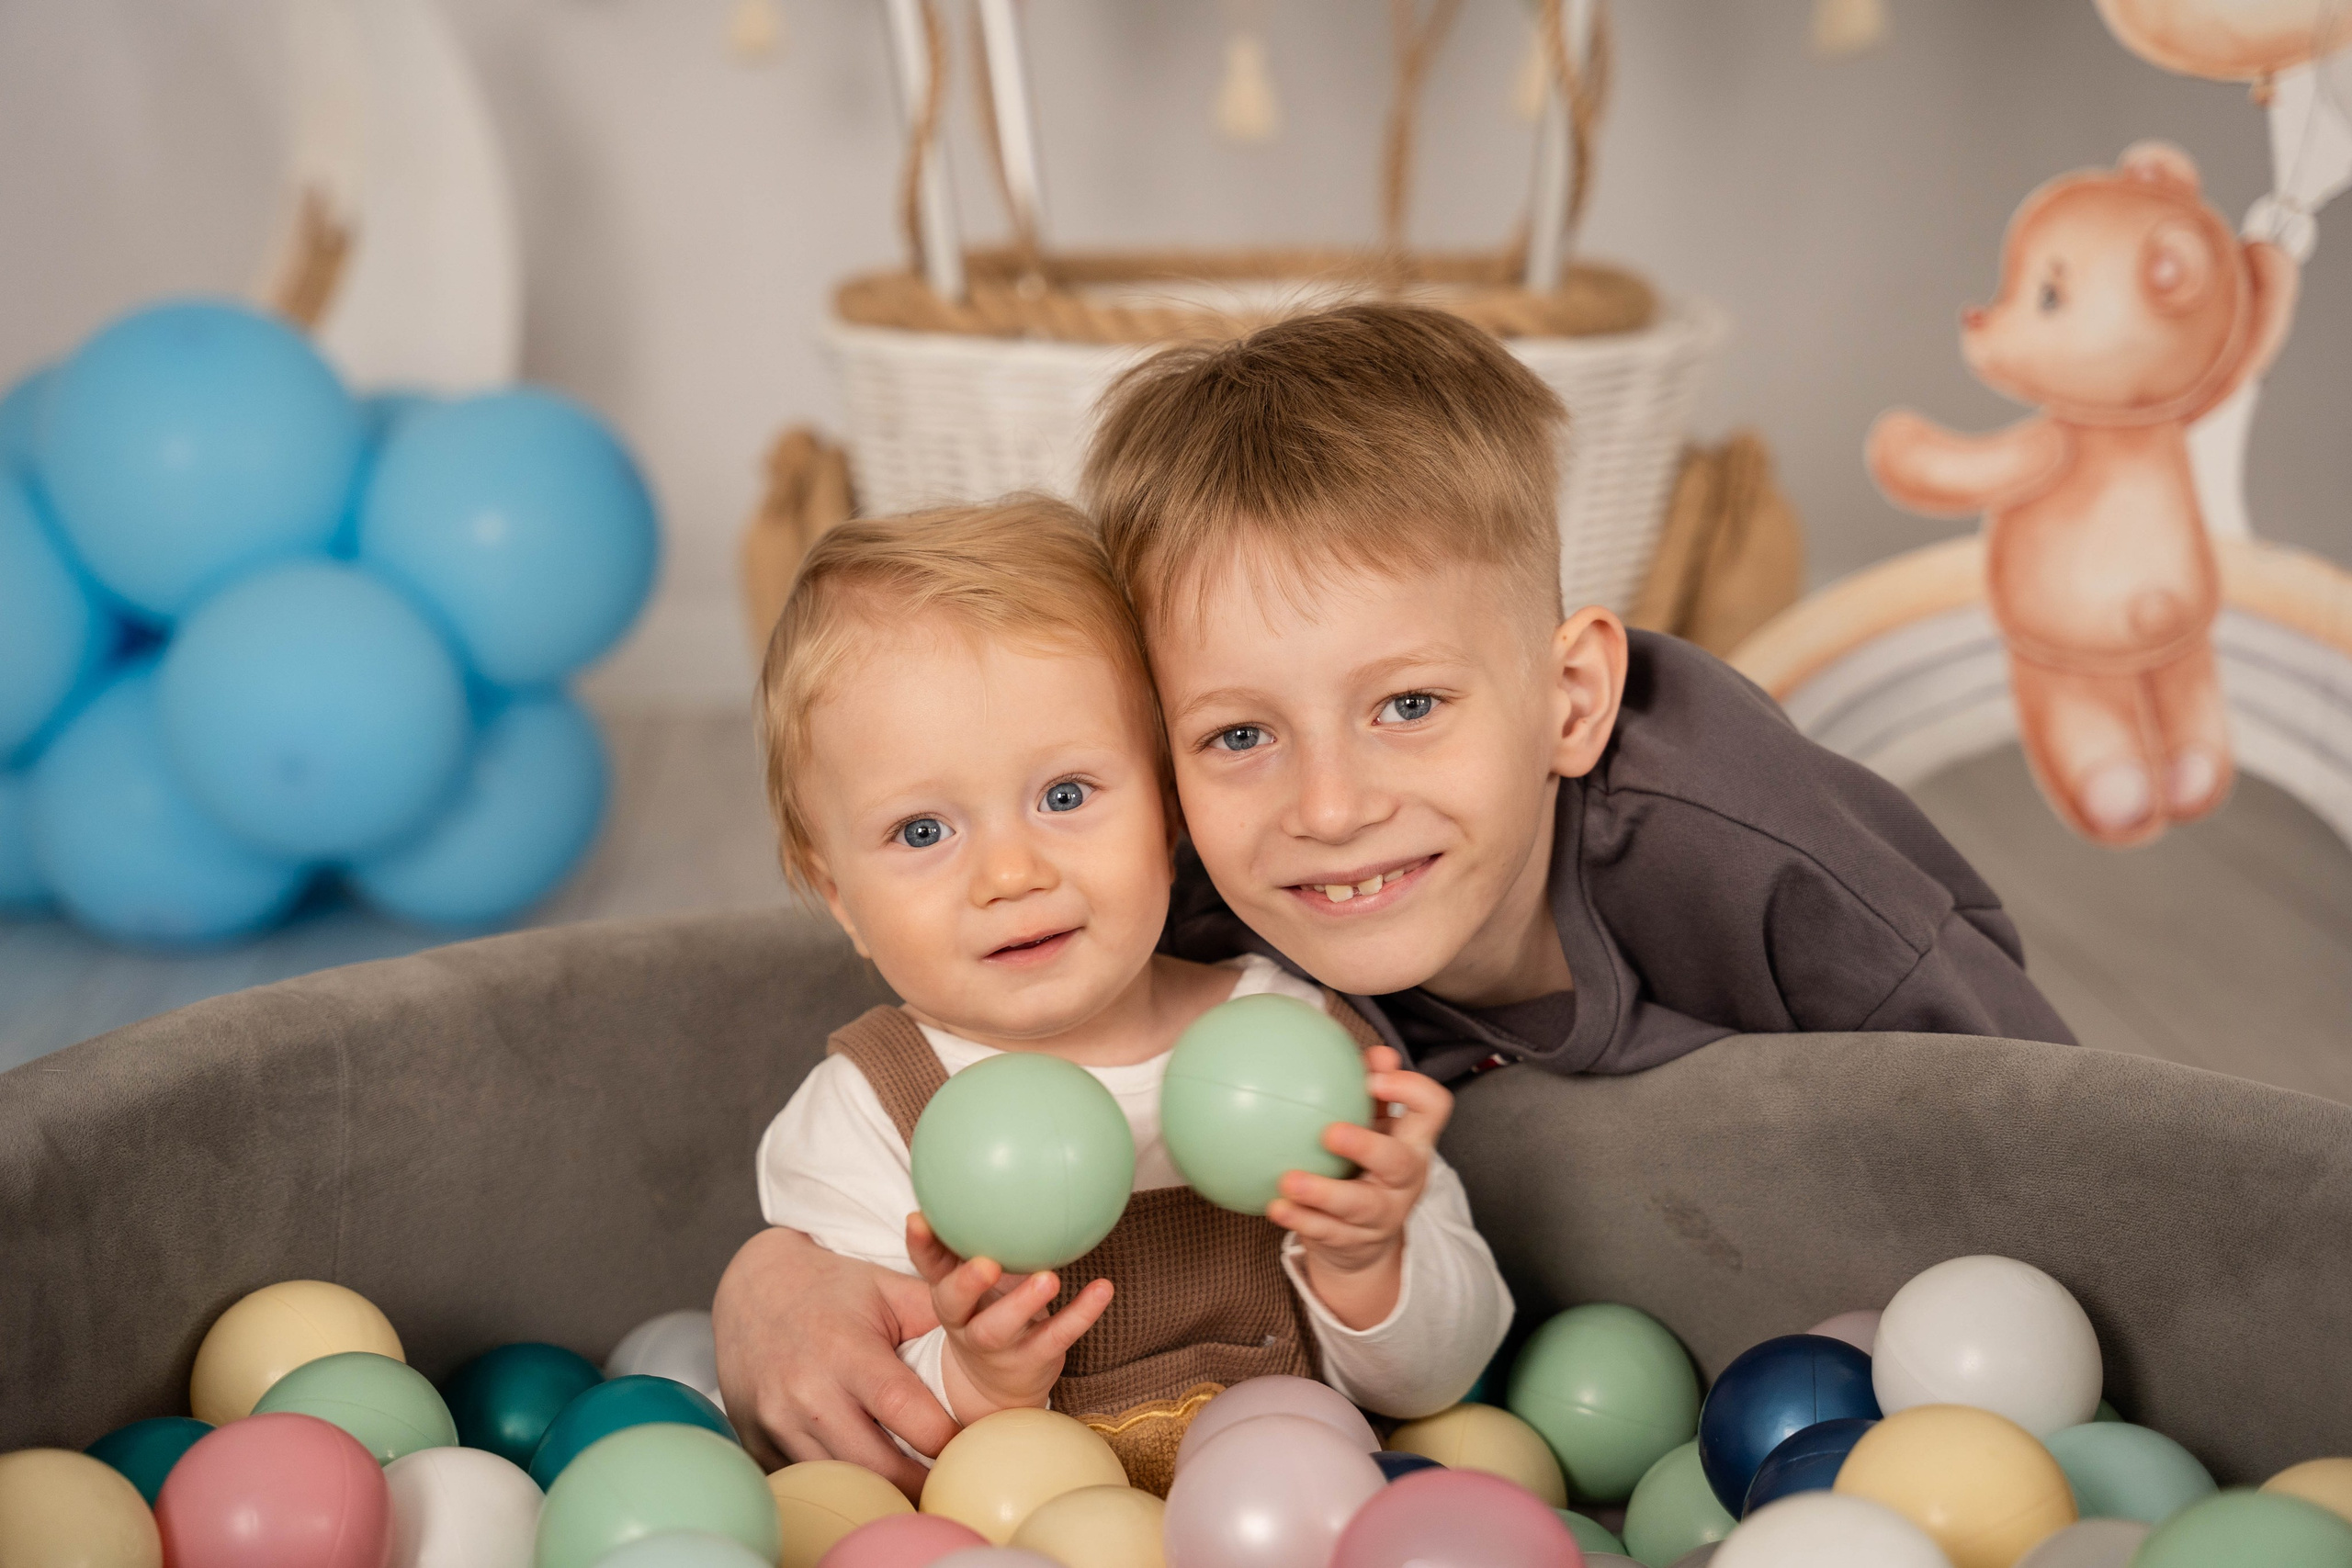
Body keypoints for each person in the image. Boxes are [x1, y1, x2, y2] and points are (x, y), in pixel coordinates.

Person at [716, 303, 2074, 1486]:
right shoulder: (1168, 911)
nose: (1329, 807)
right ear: (1164, 776)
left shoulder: (1751, 855)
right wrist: (766, 1283)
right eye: (1236, 734)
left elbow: (2054, 1125)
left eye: (1409, 705)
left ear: (1569, 697)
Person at [745, 497, 1511, 1494]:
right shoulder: (862, 1119)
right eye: (923, 832)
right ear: (840, 896)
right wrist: (975, 1379)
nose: (1011, 874)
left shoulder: (1297, 1041)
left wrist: (1369, 1262)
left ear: (1169, 811)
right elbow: (847, 1446)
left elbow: (1443, 1377)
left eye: (1065, 795)